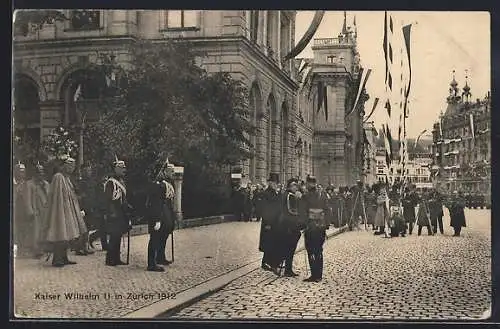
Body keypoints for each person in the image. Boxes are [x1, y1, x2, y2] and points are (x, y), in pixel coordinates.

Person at [42, 155, 88, 267]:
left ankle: (64, 257)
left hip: (68, 209)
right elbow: (58, 197)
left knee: (67, 234)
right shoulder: (58, 177)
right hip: (60, 210)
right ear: (64, 166)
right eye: (70, 166)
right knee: (60, 234)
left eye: (73, 166)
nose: (72, 168)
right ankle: (57, 259)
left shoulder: (66, 178)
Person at [146, 165, 176, 272]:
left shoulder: (168, 185)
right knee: (155, 239)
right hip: (157, 215)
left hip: (165, 214)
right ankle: (151, 263)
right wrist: (157, 219)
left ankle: (160, 257)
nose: (173, 173)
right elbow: (156, 204)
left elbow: (169, 203)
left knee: (163, 237)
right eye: (170, 171)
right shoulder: (158, 185)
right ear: (164, 172)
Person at [103, 156, 131, 266]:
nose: (124, 170)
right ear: (115, 169)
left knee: (118, 236)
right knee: (114, 237)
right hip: (114, 213)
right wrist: (110, 213)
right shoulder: (110, 182)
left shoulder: (122, 182)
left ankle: (117, 258)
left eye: (124, 168)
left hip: (121, 212)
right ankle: (110, 259)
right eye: (121, 168)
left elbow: (123, 198)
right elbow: (108, 199)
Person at [301, 176, 329, 282]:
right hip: (321, 226)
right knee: (319, 250)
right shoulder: (323, 195)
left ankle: (314, 274)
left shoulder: (305, 196)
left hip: (310, 226)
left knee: (311, 250)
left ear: (309, 184)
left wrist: (303, 225)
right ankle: (319, 275)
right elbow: (327, 210)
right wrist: (326, 224)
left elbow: (303, 213)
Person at [24, 162, 50, 258]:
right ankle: (35, 250)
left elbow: (49, 196)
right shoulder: (29, 184)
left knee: (44, 230)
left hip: (45, 211)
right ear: (35, 173)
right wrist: (30, 211)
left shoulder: (46, 184)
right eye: (39, 172)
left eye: (42, 171)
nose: (41, 174)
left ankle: (43, 248)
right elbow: (27, 199)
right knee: (35, 231)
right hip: (36, 211)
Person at [259, 173, 282, 274]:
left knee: (273, 242)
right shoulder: (266, 193)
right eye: (273, 183)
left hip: (276, 222)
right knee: (269, 242)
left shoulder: (276, 193)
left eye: (276, 183)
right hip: (269, 222)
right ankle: (267, 263)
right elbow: (264, 209)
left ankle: (270, 262)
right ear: (270, 183)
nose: (275, 184)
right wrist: (267, 222)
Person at [280, 178, 303, 277]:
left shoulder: (288, 194)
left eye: (297, 185)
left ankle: (288, 269)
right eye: (294, 185)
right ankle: (287, 270)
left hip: (289, 225)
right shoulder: (290, 196)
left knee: (289, 248)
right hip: (290, 225)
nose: (296, 187)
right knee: (290, 248)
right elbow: (292, 211)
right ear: (290, 186)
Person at [14, 162, 29, 257]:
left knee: (23, 230)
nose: (22, 174)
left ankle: (22, 249)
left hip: (23, 211)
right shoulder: (13, 183)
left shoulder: (26, 184)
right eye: (20, 171)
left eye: (23, 172)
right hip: (15, 210)